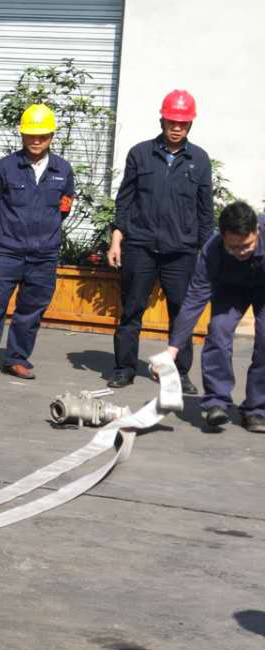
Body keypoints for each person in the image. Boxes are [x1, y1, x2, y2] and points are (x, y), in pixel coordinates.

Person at [107, 88, 213, 395]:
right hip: (140, 246)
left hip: (181, 252)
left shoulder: (199, 159)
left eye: (182, 123)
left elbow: (205, 211)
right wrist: (116, 239)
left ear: (190, 124)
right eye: (171, 121)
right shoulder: (140, 154)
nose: (176, 128)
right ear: (162, 121)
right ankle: (124, 369)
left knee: (182, 314)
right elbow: (124, 201)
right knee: (131, 309)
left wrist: (208, 255)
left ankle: (181, 373)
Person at [0, 103, 75, 381]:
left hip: (44, 255)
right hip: (7, 252)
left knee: (31, 309)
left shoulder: (63, 170)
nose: (36, 140)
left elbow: (64, 208)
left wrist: (44, 231)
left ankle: (17, 358)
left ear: (51, 136)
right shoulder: (4, 168)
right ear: (22, 134)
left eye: (42, 135)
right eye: (30, 135)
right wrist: (9, 229)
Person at [163, 201, 265, 433]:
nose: (240, 252)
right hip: (231, 289)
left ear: (257, 230)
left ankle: (257, 409)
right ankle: (216, 402)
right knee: (218, 330)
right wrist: (173, 349)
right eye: (233, 248)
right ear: (223, 236)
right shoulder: (212, 249)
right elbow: (194, 300)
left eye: (246, 246)